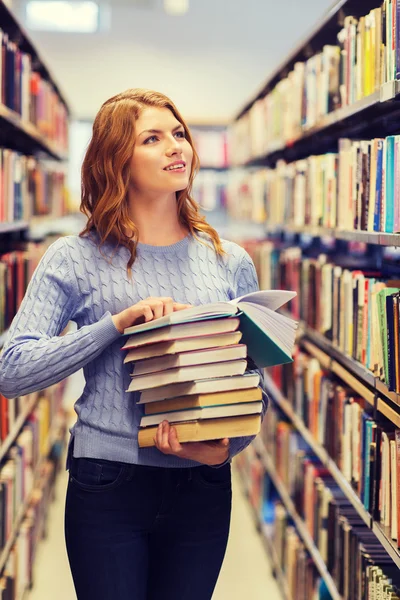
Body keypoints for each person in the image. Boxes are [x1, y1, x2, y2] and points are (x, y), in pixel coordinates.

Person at [0, 88, 268, 600]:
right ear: (116, 159)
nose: (177, 147)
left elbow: (253, 383)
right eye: (153, 138)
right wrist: (114, 326)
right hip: (108, 483)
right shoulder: (74, 257)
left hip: (204, 486)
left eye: (180, 134)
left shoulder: (228, 259)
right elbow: (12, 370)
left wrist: (223, 449)